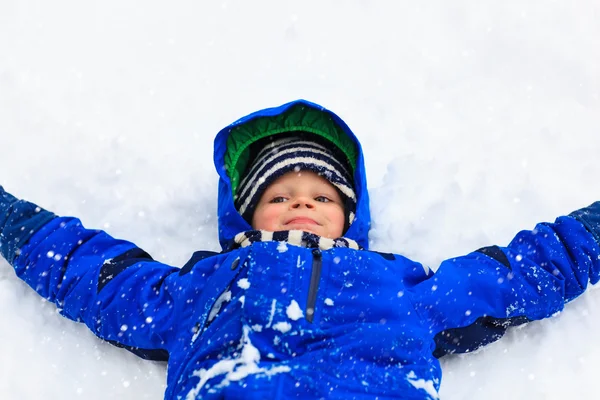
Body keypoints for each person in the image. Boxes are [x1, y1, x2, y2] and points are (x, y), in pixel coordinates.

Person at [1, 99, 600, 400]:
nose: (301, 204)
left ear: (349, 215)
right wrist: (14, 223)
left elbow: (518, 274)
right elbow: (96, 275)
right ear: (245, 213)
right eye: (280, 193)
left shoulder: (396, 285)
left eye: (320, 194)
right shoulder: (204, 287)